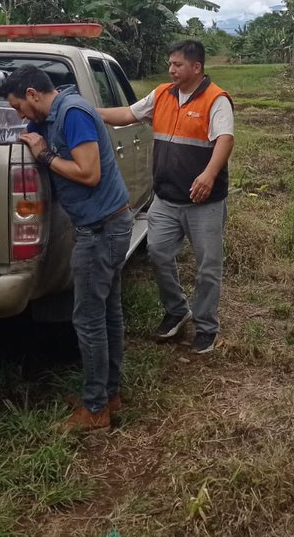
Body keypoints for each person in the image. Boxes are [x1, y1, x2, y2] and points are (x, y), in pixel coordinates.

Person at [0, 65, 133, 433]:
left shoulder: (73, 113)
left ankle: (95, 410)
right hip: (104, 226)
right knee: (107, 314)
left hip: (102, 230)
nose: (19, 116)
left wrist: (44, 156)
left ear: (32, 95)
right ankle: (109, 394)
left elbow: (89, 174)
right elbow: (31, 133)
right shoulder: (47, 119)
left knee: (89, 320)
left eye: (18, 107)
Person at [99, 39, 233, 354]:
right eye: (170, 63)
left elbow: (225, 140)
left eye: (177, 64)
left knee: (207, 268)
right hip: (167, 199)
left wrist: (209, 174)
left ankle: (206, 326)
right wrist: (89, 110)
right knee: (158, 253)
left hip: (205, 202)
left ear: (196, 67)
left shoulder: (216, 100)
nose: (171, 69)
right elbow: (127, 114)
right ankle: (177, 309)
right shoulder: (161, 94)